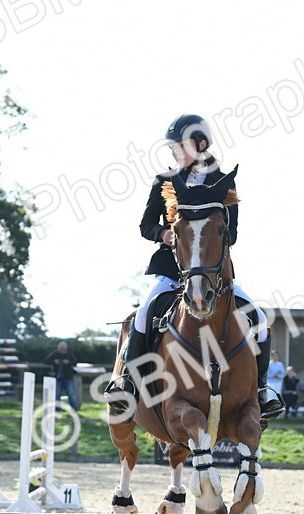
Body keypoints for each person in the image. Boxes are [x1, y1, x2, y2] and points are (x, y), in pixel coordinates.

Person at [105, 113, 284, 423]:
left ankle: (262, 391)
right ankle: (127, 384)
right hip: (172, 272)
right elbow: (146, 225)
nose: (175, 152)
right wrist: (165, 233)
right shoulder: (165, 182)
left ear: (201, 144)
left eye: (180, 146)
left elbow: (234, 234)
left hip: (213, 275)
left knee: (260, 319)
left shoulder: (223, 182)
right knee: (144, 313)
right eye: (173, 147)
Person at [45, 341, 80, 411]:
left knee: (71, 394)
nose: (62, 350)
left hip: (68, 377)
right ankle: (57, 409)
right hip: (58, 377)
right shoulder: (55, 354)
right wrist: (54, 361)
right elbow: (46, 361)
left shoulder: (69, 355)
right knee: (57, 394)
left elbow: (75, 362)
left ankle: (74, 409)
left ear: (66, 349)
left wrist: (68, 362)